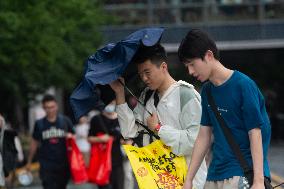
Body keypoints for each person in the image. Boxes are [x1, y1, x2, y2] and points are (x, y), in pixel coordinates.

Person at [178, 29, 271, 189]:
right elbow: (203, 136)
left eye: (192, 64)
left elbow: (255, 133)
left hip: (241, 175)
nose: (190, 72)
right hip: (214, 175)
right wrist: (189, 179)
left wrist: (258, 181)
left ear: (208, 55)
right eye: (187, 66)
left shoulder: (243, 85)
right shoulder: (207, 91)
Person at [110, 44, 207, 189]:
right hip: (156, 179)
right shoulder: (146, 96)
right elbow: (130, 132)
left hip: (187, 181)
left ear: (163, 67)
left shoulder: (185, 94)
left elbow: (195, 142)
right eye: (141, 74)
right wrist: (119, 94)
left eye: (147, 72)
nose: (144, 78)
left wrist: (159, 129)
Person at [26, 94, 74, 189]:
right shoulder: (39, 124)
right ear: (43, 108)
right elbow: (34, 142)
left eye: (52, 107)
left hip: (63, 163)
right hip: (46, 164)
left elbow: (74, 138)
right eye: (47, 107)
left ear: (57, 106)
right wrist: (29, 161)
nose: (50, 110)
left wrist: (71, 136)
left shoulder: (65, 121)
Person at [88, 100, 124, 189]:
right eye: (108, 102)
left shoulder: (121, 118)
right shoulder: (96, 119)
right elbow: (89, 138)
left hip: (117, 160)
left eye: (112, 103)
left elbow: (126, 138)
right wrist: (100, 139)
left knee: (118, 185)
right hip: (101, 161)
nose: (110, 105)